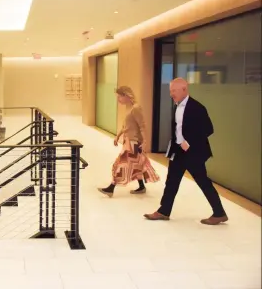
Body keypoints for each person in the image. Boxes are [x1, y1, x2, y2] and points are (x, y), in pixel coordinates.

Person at [144, 78, 228, 225]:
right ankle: (164, 211)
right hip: (178, 152)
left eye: (174, 91)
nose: (171, 94)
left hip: (193, 153)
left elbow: (208, 129)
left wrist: (189, 142)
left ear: (184, 89)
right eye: (170, 91)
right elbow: (178, 129)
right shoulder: (176, 106)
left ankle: (219, 213)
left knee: (203, 182)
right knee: (171, 182)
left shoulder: (197, 107)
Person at [98, 86, 160, 197]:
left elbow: (142, 126)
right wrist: (118, 136)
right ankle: (141, 186)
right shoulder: (129, 108)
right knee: (137, 165)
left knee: (121, 164)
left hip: (134, 143)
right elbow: (126, 126)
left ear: (126, 95)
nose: (118, 100)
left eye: (119, 97)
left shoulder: (136, 108)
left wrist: (145, 141)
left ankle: (111, 188)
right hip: (129, 141)